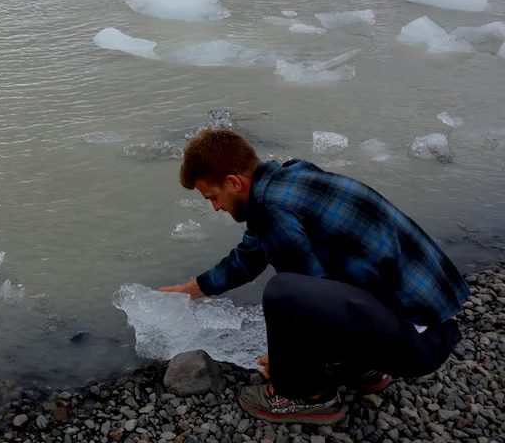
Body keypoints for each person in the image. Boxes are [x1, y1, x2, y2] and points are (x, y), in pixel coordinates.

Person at [158, 129, 469, 425]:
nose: (215, 208)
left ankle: (306, 396)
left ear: (234, 182)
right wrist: (195, 288)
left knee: (284, 291)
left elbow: (305, 299)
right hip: (431, 324)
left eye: (213, 197)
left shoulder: (270, 207)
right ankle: (359, 369)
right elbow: (252, 254)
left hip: (416, 346)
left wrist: (287, 368)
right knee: (316, 285)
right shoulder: (294, 177)